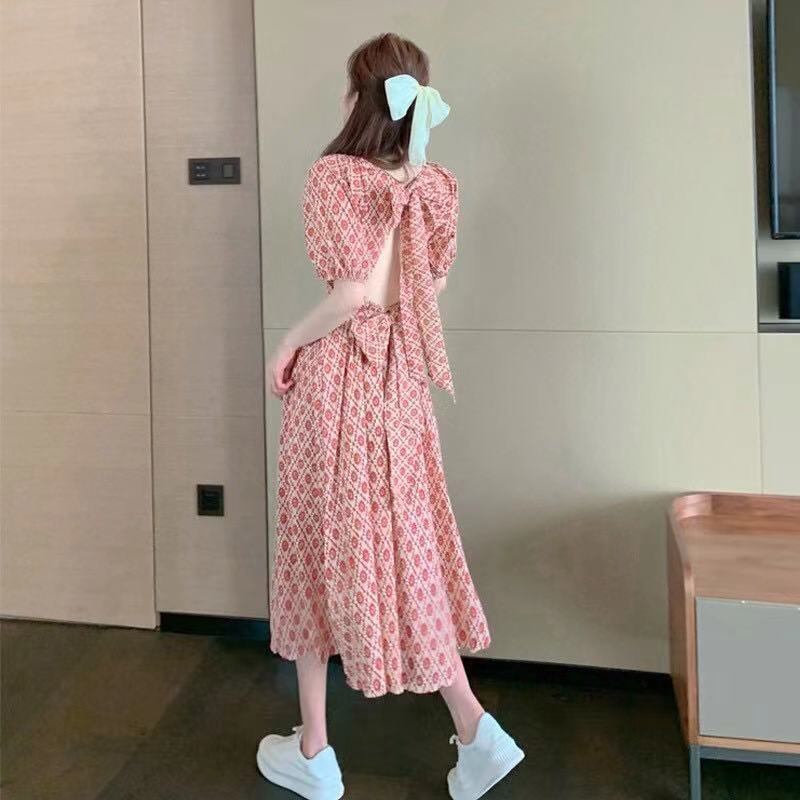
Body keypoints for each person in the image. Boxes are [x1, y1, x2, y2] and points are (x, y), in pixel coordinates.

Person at [257, 32, 524, 800]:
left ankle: (316, 750)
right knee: (410, 546)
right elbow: (418, 290)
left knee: (312, 543)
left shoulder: (335, 178)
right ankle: (474, 729)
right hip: (400, 384)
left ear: (358, 97)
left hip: (340, 381)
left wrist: (287, 341)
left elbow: (350, 296)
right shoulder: (432, 185)